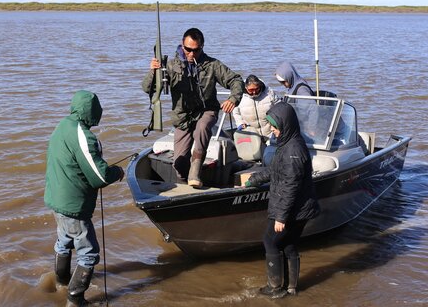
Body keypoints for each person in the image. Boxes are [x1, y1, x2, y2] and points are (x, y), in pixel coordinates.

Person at [44, 90, 124, 307]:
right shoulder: (84, 136)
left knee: (64, 242)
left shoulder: (63, 125)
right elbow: (99, 177)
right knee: (89, 253)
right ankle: (75, 299)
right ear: (92, 112)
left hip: (56, 199)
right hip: (73, 206)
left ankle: (61, 283)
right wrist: (117, 172)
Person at [143, 28, 244, 188]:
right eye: (188, 49)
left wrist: (233, 98)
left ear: (202, 47)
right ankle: (188, 185)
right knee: (179, 163)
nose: (191, 54)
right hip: (183, 117)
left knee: (202, 129)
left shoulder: (212, 65)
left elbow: (236, 80)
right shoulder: (170, 66)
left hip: (206, 110)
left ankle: (196, 171)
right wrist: (153, 72)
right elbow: (148, 89)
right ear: (182, 45)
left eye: (196, 50)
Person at [245, 101, 320, 299]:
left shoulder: (293, 150)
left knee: (269, 241)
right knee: (289, 244)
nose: (272, 130)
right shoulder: (289, 142)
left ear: (286, 124)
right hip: (298, 208)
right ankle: (291, 288)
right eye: (271, 125)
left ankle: (275, 287)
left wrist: (281, 217)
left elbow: (290, 187)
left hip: (293, 209)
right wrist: (254, 180)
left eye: (276, 126)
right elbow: (275, 170)